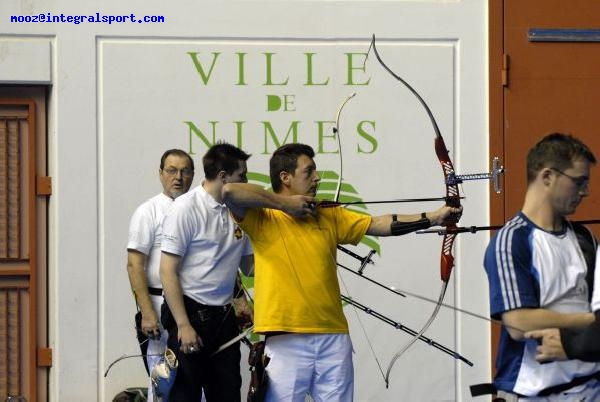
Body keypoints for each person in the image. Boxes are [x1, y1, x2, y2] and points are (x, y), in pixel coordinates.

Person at [221, 143, 460, 402]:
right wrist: (285, 205)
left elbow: (379, 224)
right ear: (285, 178)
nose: (317, 177)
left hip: (332, 336)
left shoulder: (328, 215)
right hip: (285, 338)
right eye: (309, 171)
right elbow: (229, 191)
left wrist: (435, 217)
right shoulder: (263, 217)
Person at [482, 133, 600, 400]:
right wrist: (590, 322)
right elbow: (518, 323)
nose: (586, 191)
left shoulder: (585, 239)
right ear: (548, 177)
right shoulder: (513, 241)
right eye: (578, 181)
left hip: (591, 387)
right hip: (536, 393)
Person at [159, 142, 254, 401]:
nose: (246, 182)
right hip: (189, 313)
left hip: (223, 318)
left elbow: (249, 268)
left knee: (227, 394)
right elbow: (167, 271)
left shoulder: (238, 212)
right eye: (241, 176)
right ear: (223, 177)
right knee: (185, 395)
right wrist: (183, 325)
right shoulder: (186, 208)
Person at [126, 149, 195, 401]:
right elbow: (134, 265)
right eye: (172, 170)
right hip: (157, 306)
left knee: (195, 383)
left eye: (185, 171)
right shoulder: (148, 212)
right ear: (160, 174)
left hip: (192, 306)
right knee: (164, 385)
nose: (178, 177)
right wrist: (147, 313)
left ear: (193, 175)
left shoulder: (197, 210)